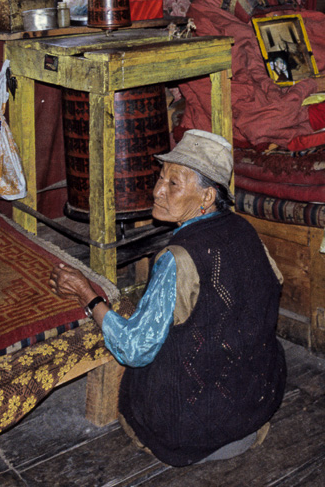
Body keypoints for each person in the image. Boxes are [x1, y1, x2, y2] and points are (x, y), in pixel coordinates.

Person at [49, 129, 286, 467]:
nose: (157, 191)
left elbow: (134, 349)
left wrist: (87, 296)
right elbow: (273, 283)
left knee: (132, 345)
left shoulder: (178, 259)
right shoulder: (245, 230)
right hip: (255, 407)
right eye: (161, 179)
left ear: (206, 198)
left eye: (174, 184)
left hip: (190, 431)